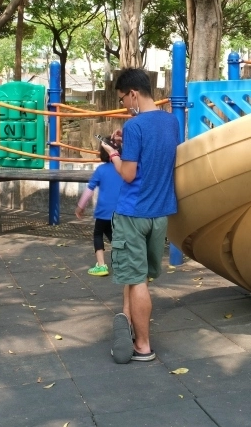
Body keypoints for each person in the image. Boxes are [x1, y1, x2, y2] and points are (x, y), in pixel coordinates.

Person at [100, 69, 180, 363]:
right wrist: (127, 142)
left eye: (123, 99)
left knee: (137, 281)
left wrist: (113, 154)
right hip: (160, 214)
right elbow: (157, 154)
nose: (124, 105)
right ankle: (129, 320)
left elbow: (130, 174)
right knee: (138, 275)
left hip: (133, 213)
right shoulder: (171, 122)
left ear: (133, 93)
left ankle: (143, 346)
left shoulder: (135, 126)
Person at [74, 138, 124, 276]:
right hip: (122, 211)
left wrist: (80, 206)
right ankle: (123, 262)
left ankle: (101, 265)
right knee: (115, 236)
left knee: (98, 234)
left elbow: (90, 189)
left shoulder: (101, 170)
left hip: (103, 212)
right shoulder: (124, 169)